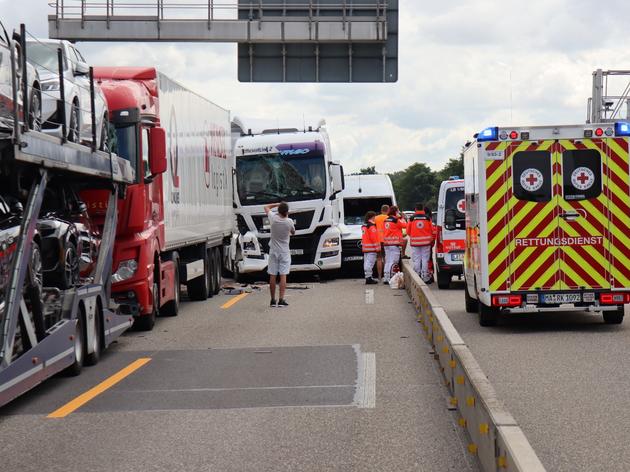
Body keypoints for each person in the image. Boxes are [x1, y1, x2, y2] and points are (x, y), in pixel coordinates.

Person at [265, 202, 295, 307]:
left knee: (272, 275)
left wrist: (277, 204)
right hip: (284, 252)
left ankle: (272, 300)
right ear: (287, 212)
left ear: (278, 211)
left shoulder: (273, 218)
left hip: (273, 251)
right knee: (283, 275)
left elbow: (266, 207)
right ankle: (281, 299)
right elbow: (293, 232)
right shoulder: (289, 221)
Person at [407, 203, 435, 283]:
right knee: (425, 259)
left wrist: (414, 236)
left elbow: (408, 231)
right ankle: (425, 276)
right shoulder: (427, 218)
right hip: (426, 243)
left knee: (416, 259)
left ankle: (417, 275)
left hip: (415, 243)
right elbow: (432, 230)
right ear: (423, 209)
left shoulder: (412, 219)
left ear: (415, 209)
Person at [382, 205, 407, 284]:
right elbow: (405, 225)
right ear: (396, 212)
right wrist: (401, 217)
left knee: (388, 260)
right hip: (394, 244)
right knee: (393, 261)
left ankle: (386, 276)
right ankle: (390, 277)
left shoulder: (386, 220)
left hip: (386, 243)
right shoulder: (396, 220)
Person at [361, 211, 380, 284]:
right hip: (371, 248)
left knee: (366, 262)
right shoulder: (371, 226)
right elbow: (374, 238)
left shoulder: (364, 225)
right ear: (372, 217)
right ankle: (369, 278)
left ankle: (368, 276)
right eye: (375, 217)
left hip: (366, 247)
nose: (375, 218)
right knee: (370, 263)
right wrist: (377, 248)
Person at [374, 204, 389, 281]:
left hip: (378, 240)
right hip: (386, 241)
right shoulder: (388, 218)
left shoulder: (376, 218)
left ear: (381, 210)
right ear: (388, 210)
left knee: (379, 258)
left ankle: (379, 276)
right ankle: (386, 275)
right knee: (386, 257)